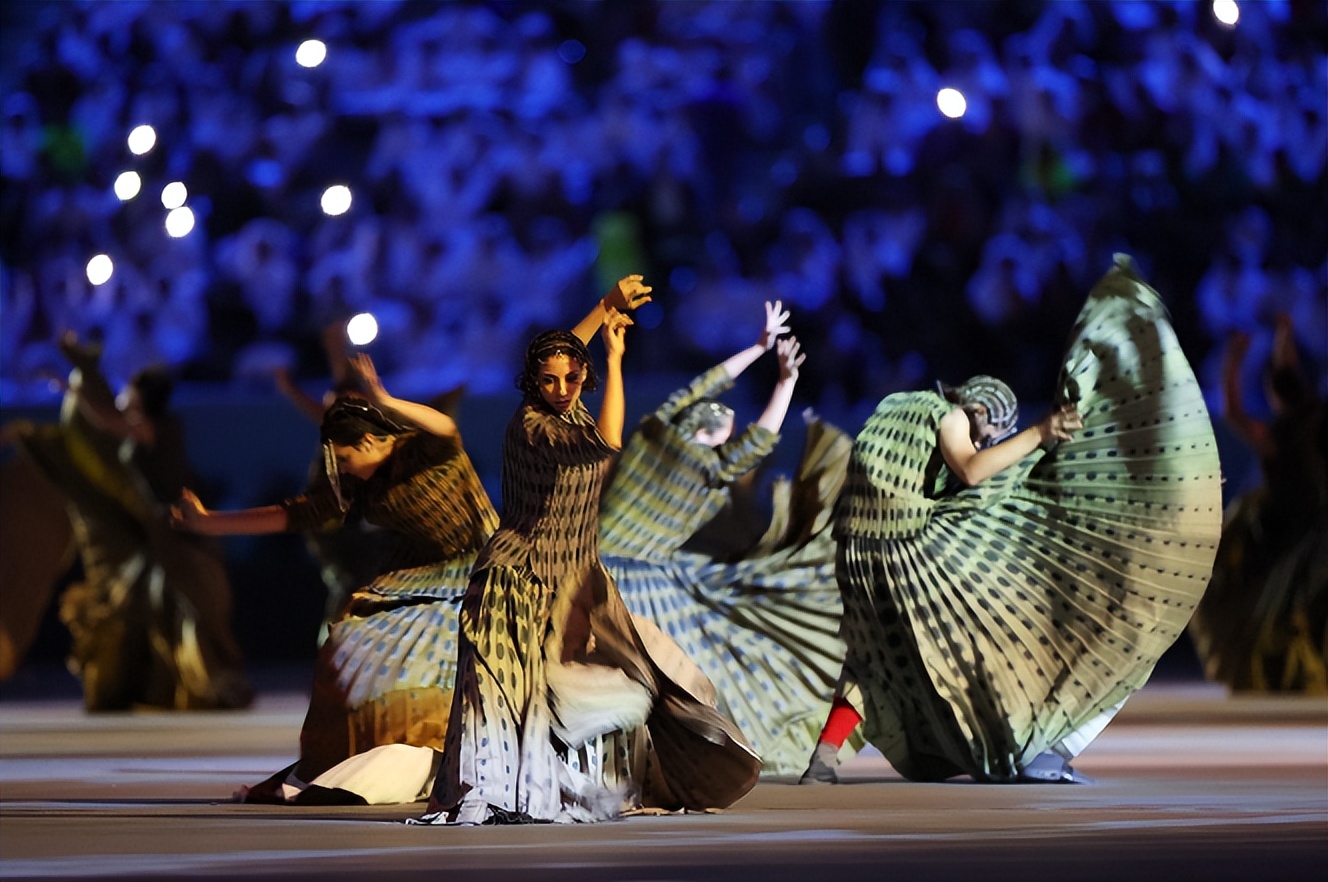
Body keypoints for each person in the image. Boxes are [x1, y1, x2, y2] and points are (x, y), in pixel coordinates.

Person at [799, 254, 1223, 785]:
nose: (985, 441)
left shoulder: (897, 405)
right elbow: (974, 472)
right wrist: (1041, 435)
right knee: (989, 630)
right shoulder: (950, 415)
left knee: (875, 659)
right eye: (989, 432)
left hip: (859, 554)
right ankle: (1014, 740)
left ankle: (824, 759)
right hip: (907, 548)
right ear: (979, 412)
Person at [414, 276, 761, 826]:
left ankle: (577, 790)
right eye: (549, 380)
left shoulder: (568, 400)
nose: (562, 387)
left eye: (572, 378)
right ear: (532, 383)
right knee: (519, 702)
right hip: (518, 580)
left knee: (607, 690)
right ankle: (513, 792)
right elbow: (608, 443)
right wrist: (615, 360)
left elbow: (566, 352)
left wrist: (606, 308)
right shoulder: (534, 425)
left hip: (575, 578)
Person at [173, 354, 498, 804]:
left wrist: (383, 397)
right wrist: (210, 523)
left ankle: (443, 748)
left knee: (437, 660)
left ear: (369, 442)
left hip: (478, 566)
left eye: (345, 459)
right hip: (419, 570)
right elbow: (298, 512)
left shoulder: (420, 448)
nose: (341, 468)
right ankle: (337, 762)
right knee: (344, 646)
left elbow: (446, 427)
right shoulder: (356, 482)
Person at [599, 301, 855, 775]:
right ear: (712, 435)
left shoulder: (651, 430)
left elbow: (700, 387)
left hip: (590, 567)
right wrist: (785, 382)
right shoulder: (711, 467)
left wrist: (756, 347)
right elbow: (759, 440)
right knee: (670, 678)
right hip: (645, 588)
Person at [5, 332, 252, 710]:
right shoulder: (143, 426)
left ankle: (215, 681)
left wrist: (74, 384)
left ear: (143, 397)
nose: (125, 396)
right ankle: (164, 682)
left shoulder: (159, 426)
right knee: (157, 605)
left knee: (196, 606)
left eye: (131, 391)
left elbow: (108, 422)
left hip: (183, 531)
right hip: (161, 533)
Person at [1187, 315, 1327, 694]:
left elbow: (1234, 414)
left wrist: (1232, 363)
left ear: (1275, 397)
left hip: (1285, 535)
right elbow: (1288, 374)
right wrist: (1285, 333)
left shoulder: (1282, 434)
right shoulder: (1315, 422)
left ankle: (1267, 668)